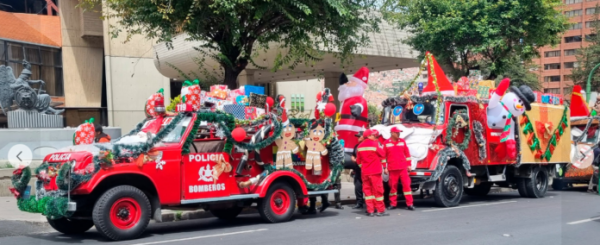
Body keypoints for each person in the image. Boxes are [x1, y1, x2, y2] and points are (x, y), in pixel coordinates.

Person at [356, 129, 389, 217]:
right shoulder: (375, 144)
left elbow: (358, 161)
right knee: (378, 191)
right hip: (375, 172)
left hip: (365, 173)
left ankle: (370, 210)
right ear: (369, 136)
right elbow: (382, 154)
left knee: (368, 192)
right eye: (373, 135)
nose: (375, 137)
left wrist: (362, 167)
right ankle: (380, 210)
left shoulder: (360, 146)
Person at [384, 127, 415, 210]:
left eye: (399, 132)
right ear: (392, 133)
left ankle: (410, 204)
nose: (399, 134)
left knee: (407, 186)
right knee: (393, 187)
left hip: (402, 168)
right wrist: (384, 167)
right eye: (397, 132)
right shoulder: (386, 143)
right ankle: (393, 204)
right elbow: (383, 157)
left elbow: (407, 154)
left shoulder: (402, 142)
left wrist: (409, 165)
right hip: (392, 168)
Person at [351, 130, 365, 209]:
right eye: (357, 136)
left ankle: (370, 203)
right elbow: (353, 155)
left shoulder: (366, 146)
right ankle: (359, 203)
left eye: (359, 136)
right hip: (357, 170)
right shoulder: (356, 146)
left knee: (367, 187)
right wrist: (353, 158)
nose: (358, 138)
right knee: (358, 187)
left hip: (365, 169)